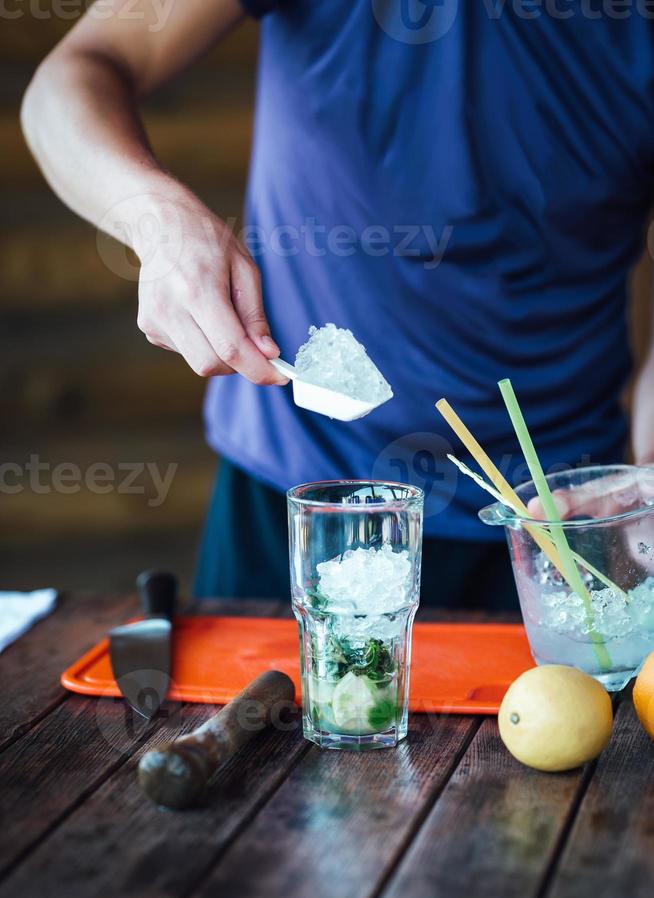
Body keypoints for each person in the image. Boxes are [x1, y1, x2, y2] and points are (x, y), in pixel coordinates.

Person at [21, 0, 654, 610]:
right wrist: (157, 219)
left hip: (567, 514)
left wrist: (647, 480)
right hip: (299, 493)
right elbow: (73, 76)